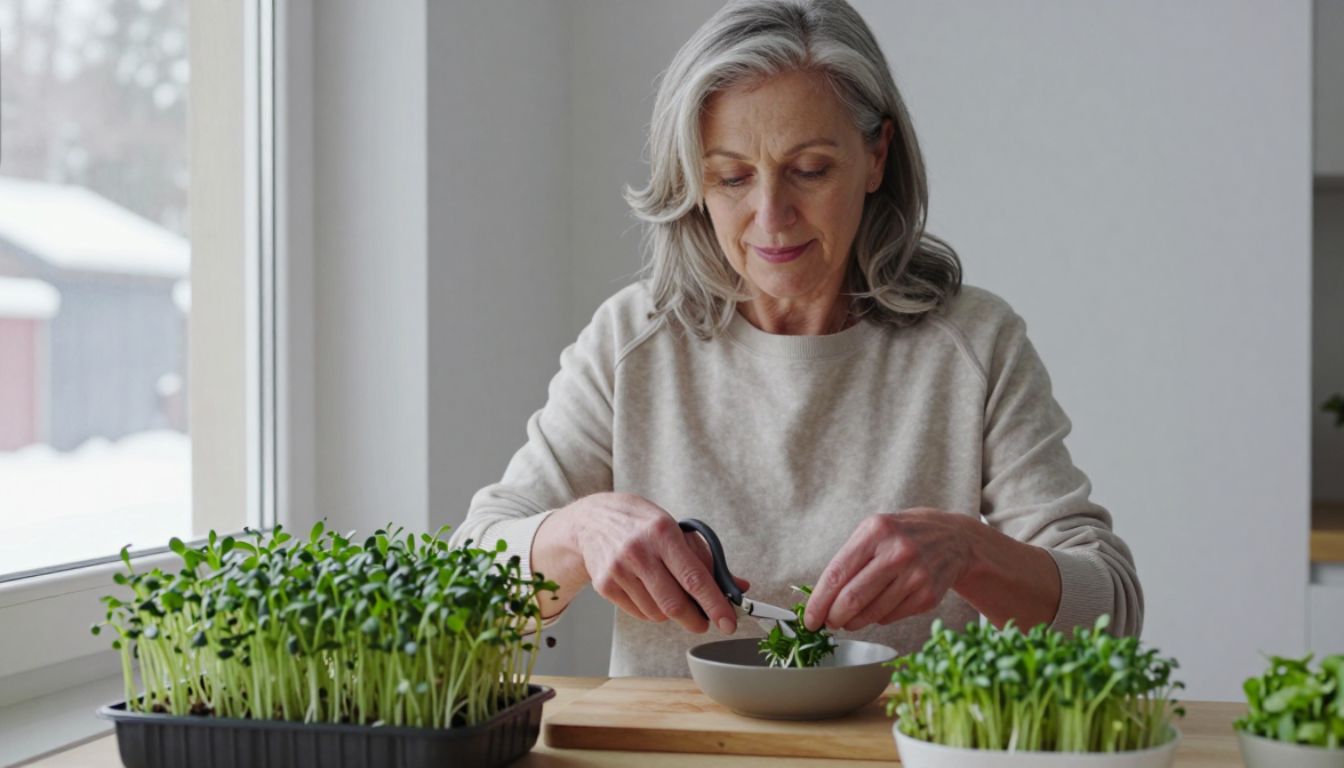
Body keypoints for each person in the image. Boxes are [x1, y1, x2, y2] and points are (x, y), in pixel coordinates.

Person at [449, 0, 1141, 677]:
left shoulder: (974, 345)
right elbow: (463, 589)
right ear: (694, 180)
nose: (770, 217)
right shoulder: (634, 342)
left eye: (810, 169)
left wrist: (970, 551)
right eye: (732, 177)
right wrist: (575, 534)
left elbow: (1112, 607)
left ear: (876, 157)